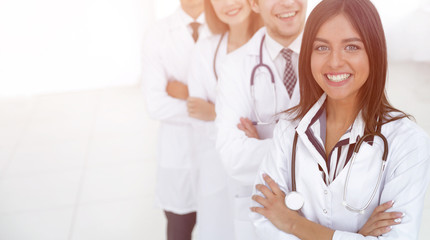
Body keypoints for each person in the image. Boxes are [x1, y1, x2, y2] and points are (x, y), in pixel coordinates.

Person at [250, 0, 430, 239]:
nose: (334, 62)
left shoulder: (408, 142)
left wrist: (294, 224)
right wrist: (358, 235)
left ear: (374, 52)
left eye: (352, 47)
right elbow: (263, 219)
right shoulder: (288, 130)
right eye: (322, 48)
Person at [214, 0, 307, 238]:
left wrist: (264, 146)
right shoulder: (235, 66)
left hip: (323, 214)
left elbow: (350, 148)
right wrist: (315, 152)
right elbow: (233, 155)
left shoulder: (333, 57)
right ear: (253, 4)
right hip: (262, 216)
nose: (287, 3)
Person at [186, 0, 262, 239]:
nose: (228, 3)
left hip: (261, 168)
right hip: (215, 166)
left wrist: (215, 113)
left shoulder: (271, 46)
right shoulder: (205, 49)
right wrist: (242, 125)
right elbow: (196, 113)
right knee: (216, 228)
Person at [141, 0, 210, 239]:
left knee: (222, 228)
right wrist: (209, 110)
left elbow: (237, 99)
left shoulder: (227, 27)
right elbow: (156, 105)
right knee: (179, 230)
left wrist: (186, 92)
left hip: (219, 156)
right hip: (177, 157)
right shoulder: (157, 34)